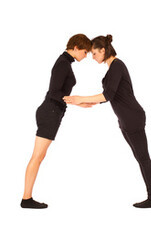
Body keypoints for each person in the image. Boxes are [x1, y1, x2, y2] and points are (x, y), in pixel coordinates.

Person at [63, 35, 151, 208]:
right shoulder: (112, 69)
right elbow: (108, 96)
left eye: (94, 53)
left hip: (133, 117)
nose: (92, 57)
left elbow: (107, 95)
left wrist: (80, 98)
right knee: (140, 158)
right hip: (125, 120)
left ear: (103, 50)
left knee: (143, 158)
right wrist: (83, 102)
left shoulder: (117, 65)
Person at [20, 34, 93, 209]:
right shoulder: (62, 63)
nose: (86, 55)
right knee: (37, 157)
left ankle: (27, 198)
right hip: (50, 112)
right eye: (85, 51)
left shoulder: (65, 62)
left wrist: (78, 103)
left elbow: (58, 93)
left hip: (52, 111)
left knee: (39, 157)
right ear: (75, 47)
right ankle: (26, 199)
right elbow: (54, 92)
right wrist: (77, 100)